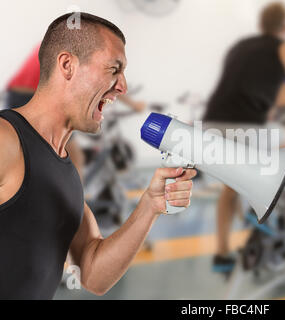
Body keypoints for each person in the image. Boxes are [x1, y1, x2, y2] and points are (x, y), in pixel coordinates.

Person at [0, 12, 196, 299]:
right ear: (67, 66)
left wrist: (150, 205)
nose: (123, 86)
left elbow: (92, 273)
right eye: (113, 69)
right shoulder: (6, 140)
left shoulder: (66, 173)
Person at [202, 2, 285, 273]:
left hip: (211, 126)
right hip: (245, 127)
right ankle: (258, 205)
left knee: (230, 185)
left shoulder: (239, 46)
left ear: (261, 25)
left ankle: (222, 253)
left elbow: (246, 88)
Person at [4, 43, 147, 177]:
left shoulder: (55, 44)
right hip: (31, 96)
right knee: (73, 155)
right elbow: (107, 82)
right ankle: (73, 201)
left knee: (34, 152)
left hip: (18, 95)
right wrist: (133, 105)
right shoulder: (75, 51)